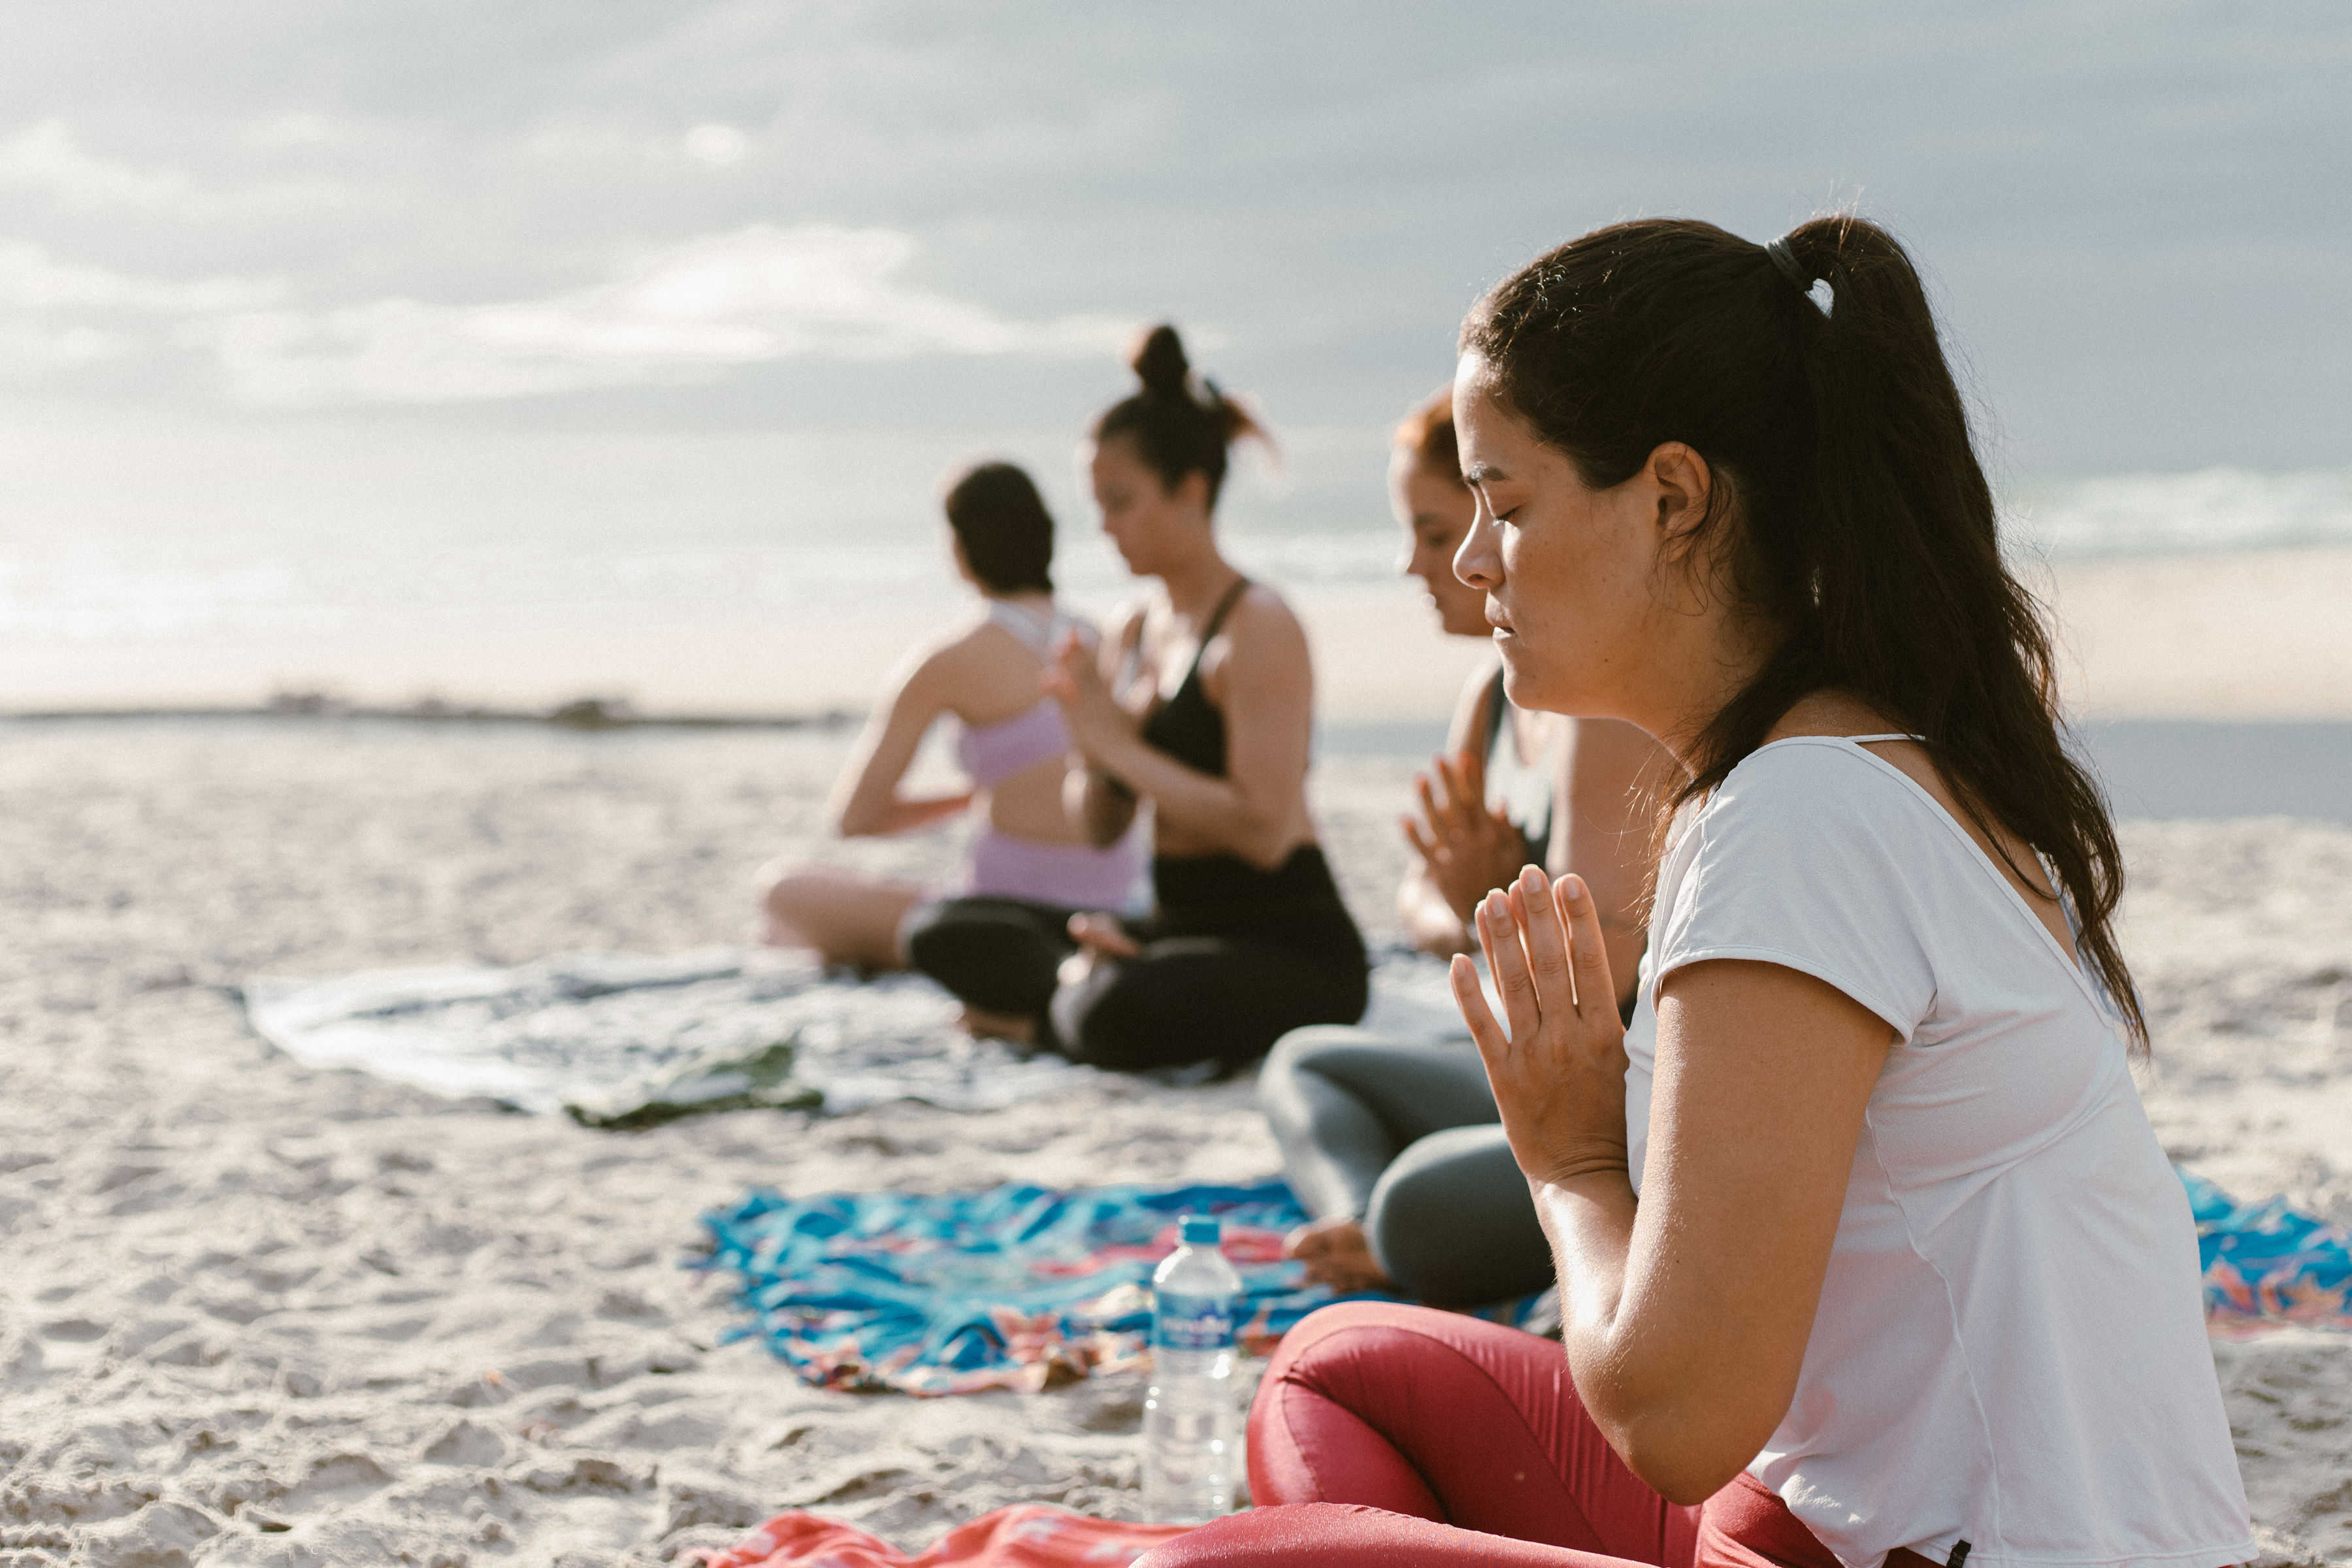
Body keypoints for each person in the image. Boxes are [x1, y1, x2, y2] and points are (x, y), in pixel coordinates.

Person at [1144, 218, 2251, 1568]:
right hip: (1869, 1519)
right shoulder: (1869, 756)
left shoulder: (1797, 820)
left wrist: (1570, 1159)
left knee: (1179, 1563)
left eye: (1508, 503)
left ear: (1673, 497)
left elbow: (1677, 1422)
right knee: (1339, 1363)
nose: (1474, 560)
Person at [1264, 388, 1665, 1307]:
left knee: (1419, 1203)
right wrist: (1474, 904)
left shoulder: (1596, 704)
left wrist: (1485, 905)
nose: (1420, 563)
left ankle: (1386, 1235)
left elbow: (1600, 971)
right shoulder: (1490, 698)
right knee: (1304, 1065)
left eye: (1436, 531)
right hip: (1522, 1059)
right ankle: (1361, 1233)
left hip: (1612, 1083)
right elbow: (1417, 900)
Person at [905, 325, 1369, 1071]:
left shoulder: (1257, 624)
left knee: (1121, 1008)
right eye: (1095, 502)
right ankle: (1083, 978)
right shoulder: (1130, 631)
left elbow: (1264, 831)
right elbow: (1098, 828)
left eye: (1120, 501)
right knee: (938, 930)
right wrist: (1091, 744)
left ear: (1190, 490)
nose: (1103, 525)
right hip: (1171, 926)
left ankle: (1058, 1009)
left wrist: (1119, 744)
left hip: (1287, 945)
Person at [759, 462, 1141, 978]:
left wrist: (970, 797)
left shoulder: (949, 659)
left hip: (1002, 918)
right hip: (1120, 905)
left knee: (781, 892)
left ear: (960, 553)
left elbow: (855, 817)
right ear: (1046, 539)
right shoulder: (1099, 639)